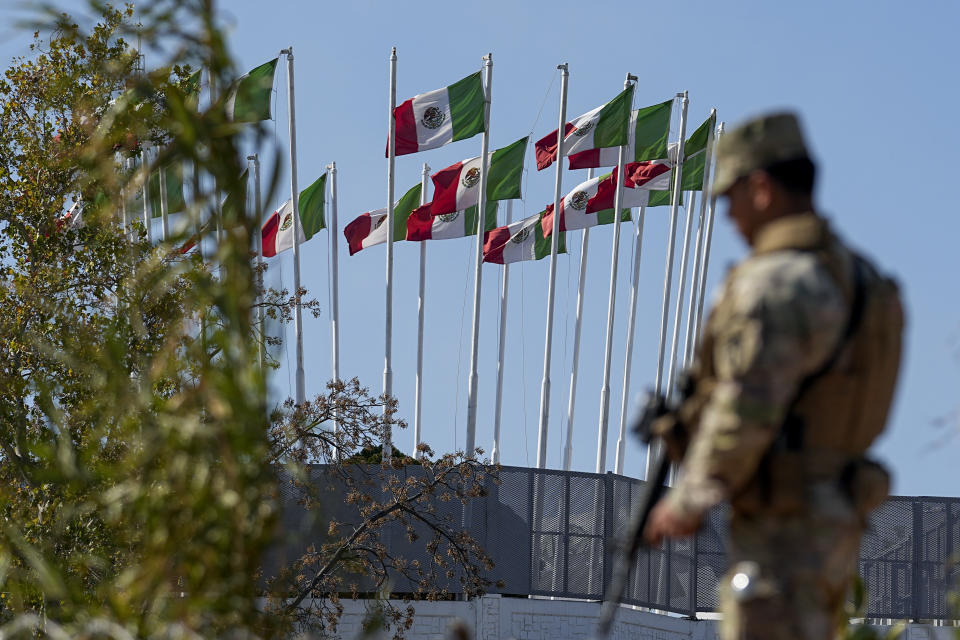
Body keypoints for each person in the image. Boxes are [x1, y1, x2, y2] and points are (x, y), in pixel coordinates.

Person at [643, 112, 904, 640]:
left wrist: (688, 498)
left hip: (783, 528)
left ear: (761, 188)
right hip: (836, 516)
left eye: (730, 198)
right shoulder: (864, 280)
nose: (730, 215)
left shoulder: (775, 286)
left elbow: (747, 406)